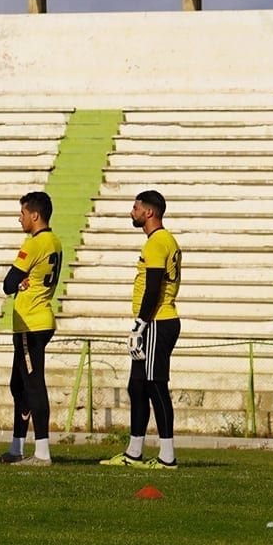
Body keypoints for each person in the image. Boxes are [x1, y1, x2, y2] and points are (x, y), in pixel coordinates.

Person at [105, 190, 183, 469]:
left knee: (154, 385)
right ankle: (133, 452)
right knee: (136, 385)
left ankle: (167, 456)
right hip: (154, 321)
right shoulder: (163, 240)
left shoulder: (157, 242)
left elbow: (153, 288)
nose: (132, 212)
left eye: (136, 207)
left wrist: (140, 324)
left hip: (157, 321)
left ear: (149, 212)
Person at [2, 191, 62, 466]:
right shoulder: (55, 241)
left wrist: (19, 280)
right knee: (19, 385)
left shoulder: (35, 243)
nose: (19, 218)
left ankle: (42, 452)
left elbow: (8, 282)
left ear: (34, 215)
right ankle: (16, 447)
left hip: (31, 321)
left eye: (23, 213)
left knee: (34, 385)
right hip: (41, 317)